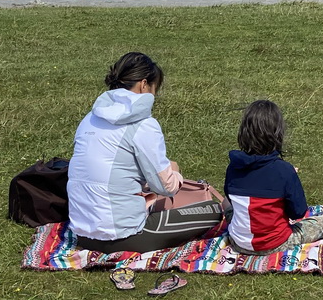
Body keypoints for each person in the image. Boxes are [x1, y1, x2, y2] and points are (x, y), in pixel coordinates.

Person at [67, 52, 224, 267]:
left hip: (82, 234)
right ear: (143, 85)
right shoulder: (144, 125)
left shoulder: (90, 119)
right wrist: (174, 171)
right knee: (213, 211)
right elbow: (166, 187)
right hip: (122, 236)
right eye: (154, 88)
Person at [223, 100, 323, 255]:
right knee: (320, 223)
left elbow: (232, 198)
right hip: (273, 243)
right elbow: (298, 213)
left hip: (238, 242)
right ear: (277, 133)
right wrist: (289, 180)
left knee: (225, 201)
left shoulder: (234, 166)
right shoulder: (284, 171)